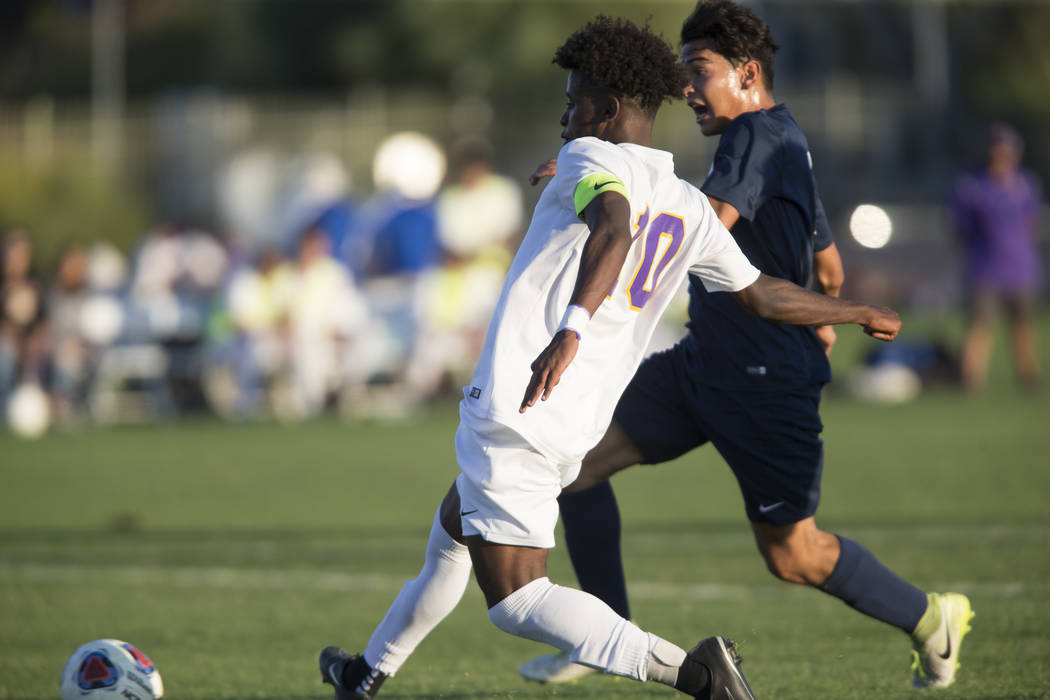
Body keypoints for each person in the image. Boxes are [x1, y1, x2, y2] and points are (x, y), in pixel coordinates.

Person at [318, 15, 901, 700]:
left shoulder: (590, 160)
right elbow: (762, 294)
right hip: (572, 423)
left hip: (521, 403)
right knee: (452, 533)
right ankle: (366, 674)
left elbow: (615, 225)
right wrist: (856, 311)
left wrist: (570, 326)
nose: (566, 116)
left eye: (574, 102)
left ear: (609, 108)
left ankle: (698, 672)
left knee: (515, 601)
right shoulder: (687, 203)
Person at [517, 0, 973, 691]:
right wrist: (824, 314)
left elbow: (703, 225)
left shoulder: (755, 138)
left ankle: (930, 617)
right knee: (574, 469)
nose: (688, 90)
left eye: (699, 72)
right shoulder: (785, 138)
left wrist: (596, 175)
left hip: (764, 382)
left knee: (793, 556)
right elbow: (827, 262)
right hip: (705, 365)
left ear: (748, 71)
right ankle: (601, 633)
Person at [951, 122, 1043, 393]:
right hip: (985, 269)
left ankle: (1029, 378)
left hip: (1021, 268)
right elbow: (959, 227)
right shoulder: (972, 185)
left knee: (1023, 326)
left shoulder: (1026, 184)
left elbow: (1032, 222)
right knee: (980, 326)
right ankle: (970, 380)